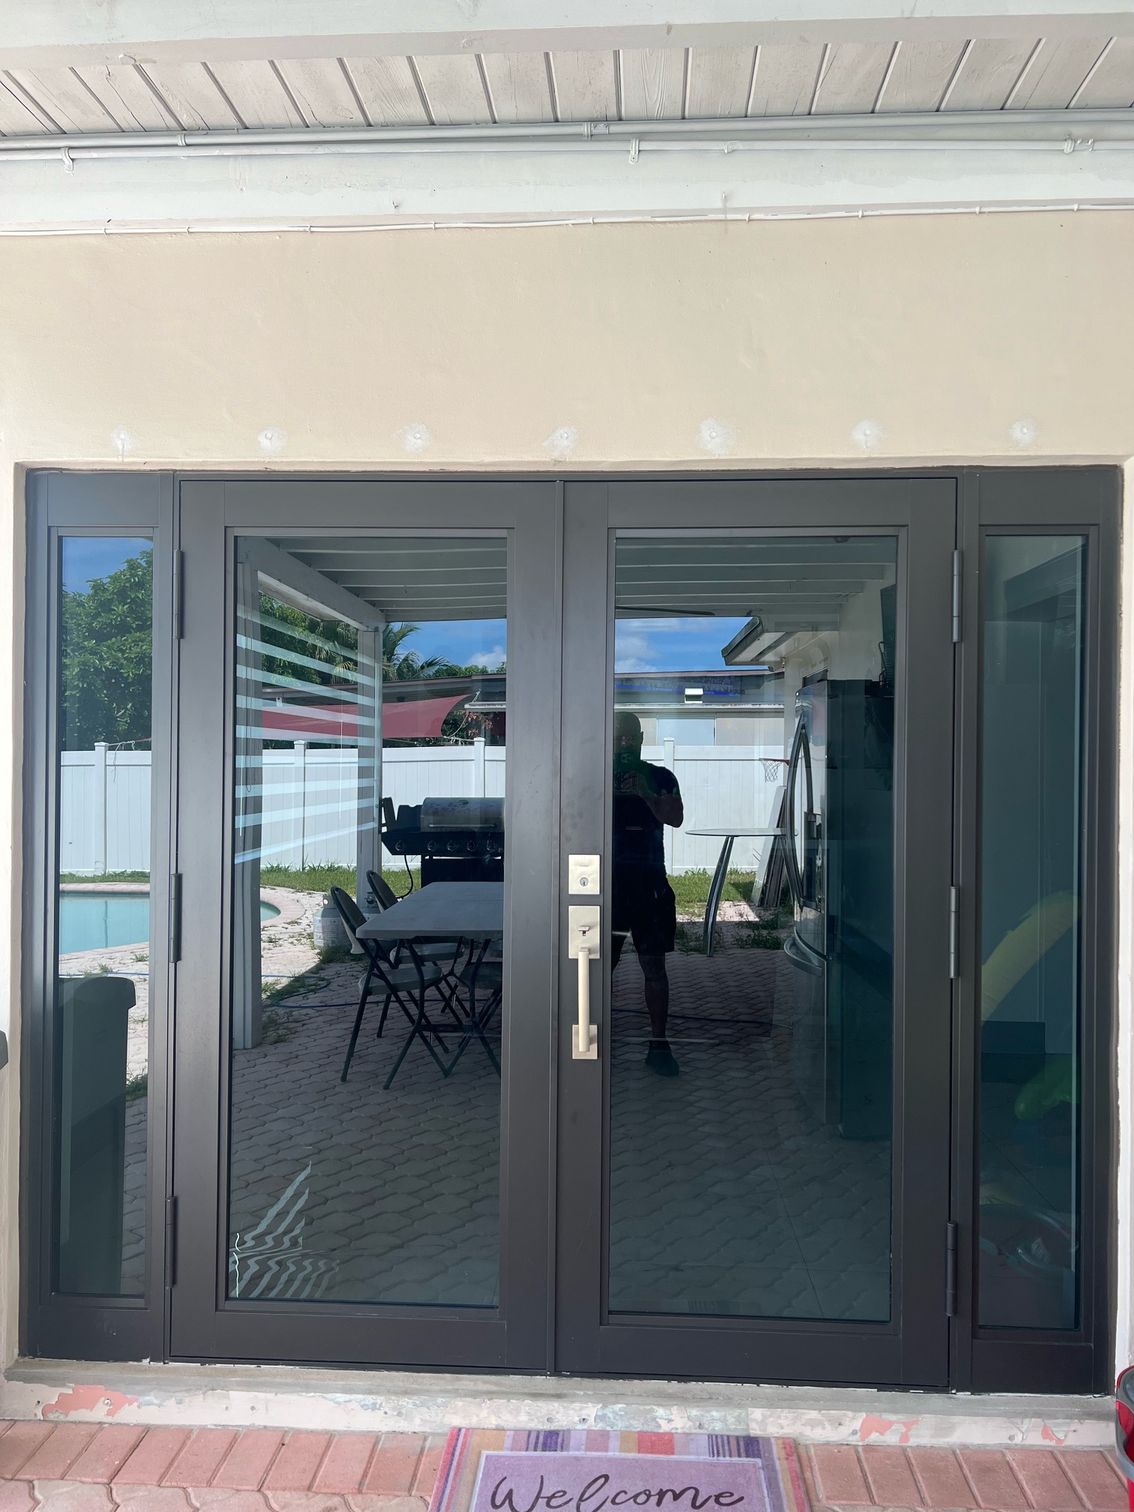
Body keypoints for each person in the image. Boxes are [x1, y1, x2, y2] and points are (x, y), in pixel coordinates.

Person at [611, 711, 684, 1076]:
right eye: (616, 738)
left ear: (640, 740)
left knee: (654, 967)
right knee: (594, 971)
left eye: (629, 738)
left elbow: (675, 818)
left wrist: (646, 793)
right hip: (604, 889)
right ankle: (591, 1043)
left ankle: (659, 1043)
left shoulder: (659, 776)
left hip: (650, 886)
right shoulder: (596, 774)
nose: (623, 744)